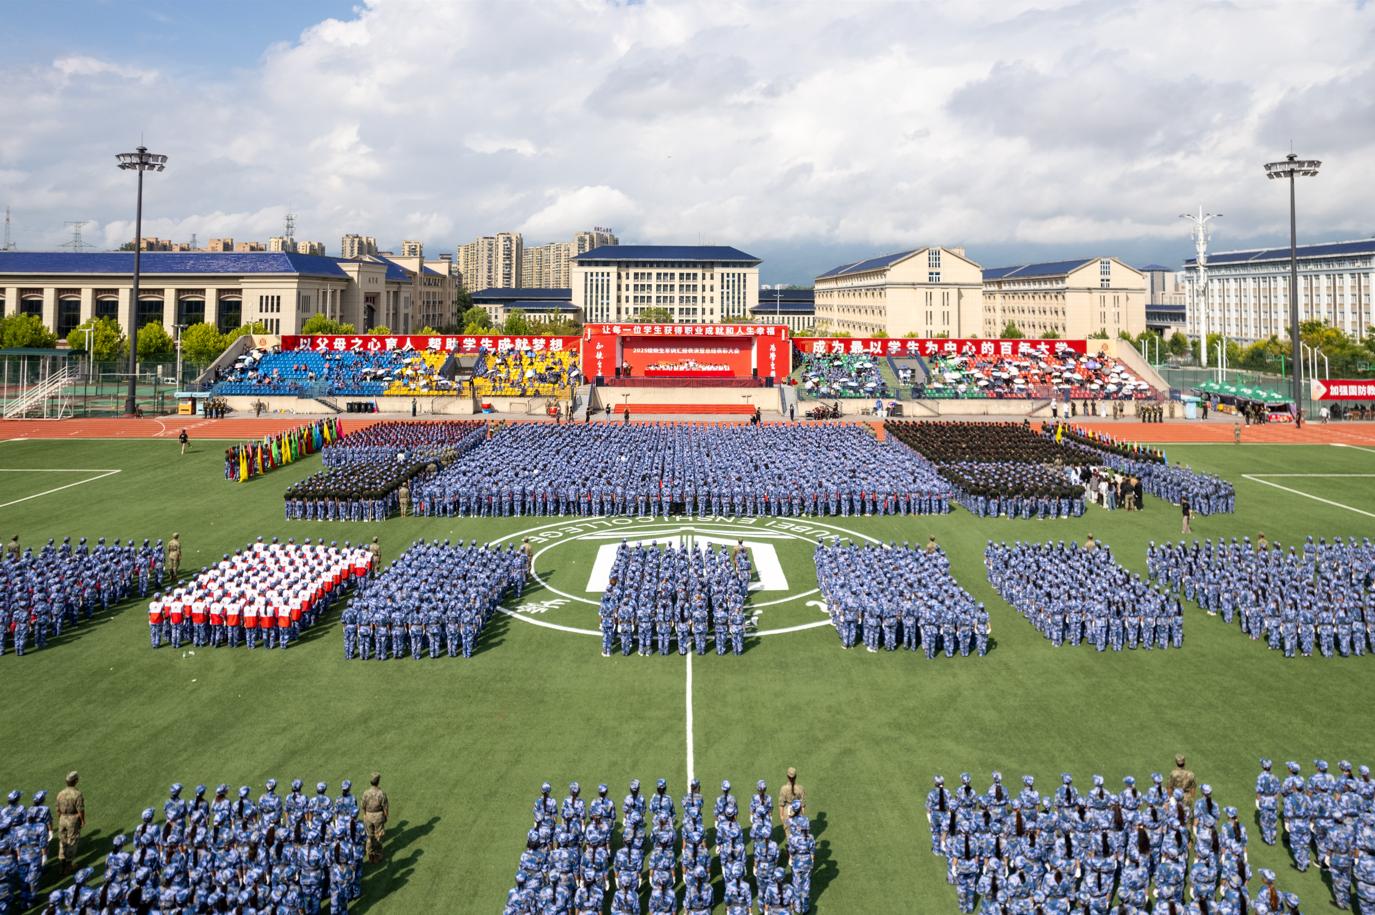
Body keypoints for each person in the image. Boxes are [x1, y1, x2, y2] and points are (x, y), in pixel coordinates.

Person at [55, 771, 85, 875]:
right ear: (76, 781)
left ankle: (61, 864)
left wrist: (61, 818)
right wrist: (82, 820)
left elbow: (58, 809)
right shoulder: (77, 794)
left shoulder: (60, 793)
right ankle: (68, 866)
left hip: (62, 818)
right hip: (73, 819)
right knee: (72, 841)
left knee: (62, 840)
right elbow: (80, 809)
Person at [361, 772, 389, 864]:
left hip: (368, 816)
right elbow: (385, 807)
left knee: (369, 836)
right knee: (378, 836)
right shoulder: (381, 793)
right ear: (378, 782)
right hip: (378, 816)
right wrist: (385, 817)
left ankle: (370, 855)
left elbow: (363, 806)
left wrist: (365, 815)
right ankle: (377, 855)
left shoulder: (366, 793)